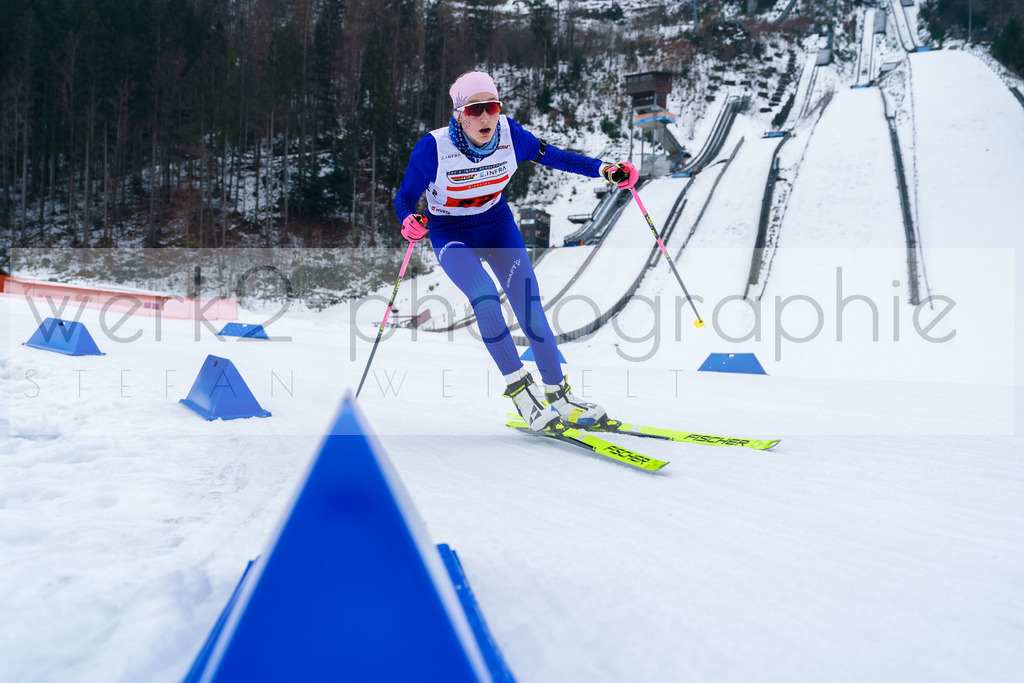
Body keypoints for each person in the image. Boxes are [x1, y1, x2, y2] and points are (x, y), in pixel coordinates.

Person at [393, 71, 638, 431]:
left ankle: (560, 397)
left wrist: (605, 169)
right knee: (485, 297)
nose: (485, 117)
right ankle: (522, 393)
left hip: (496, 225)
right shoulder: (433, 148)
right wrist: (407, 220)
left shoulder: (511, 135)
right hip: (450, 232)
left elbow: (557, 158)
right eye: (474, 109)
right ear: (458, 114)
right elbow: (404, 197)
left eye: (492, 107)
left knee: (530, 307)